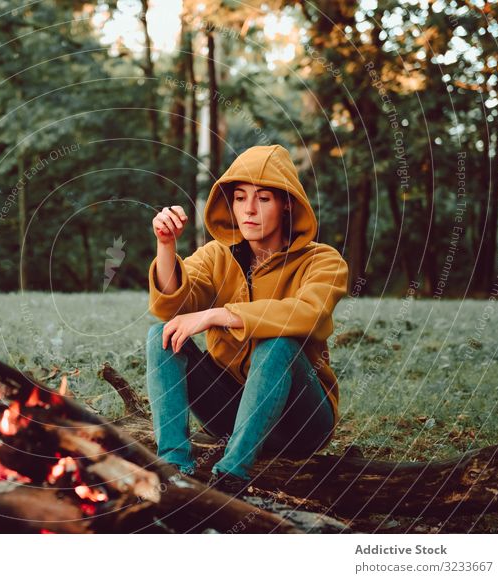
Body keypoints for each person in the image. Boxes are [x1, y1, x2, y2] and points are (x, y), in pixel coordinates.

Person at [146, 144, 349, 495]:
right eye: (240, 198)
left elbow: (308, 313)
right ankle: (174, 469)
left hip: (301, 420)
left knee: (278, 342)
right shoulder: (215, 256)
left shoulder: (323, 261)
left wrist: (220, 315)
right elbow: (171, 307)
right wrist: (166, 245)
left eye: (264, 199)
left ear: (287, 203)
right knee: (160, 334)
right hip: (229, 413)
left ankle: (231, 477)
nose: (249, 210)